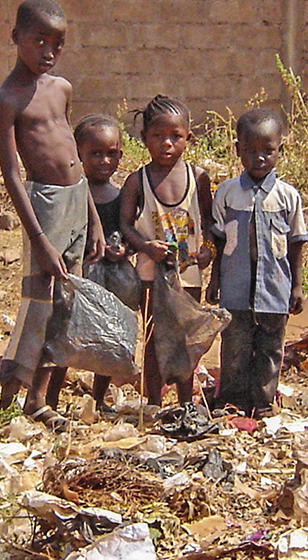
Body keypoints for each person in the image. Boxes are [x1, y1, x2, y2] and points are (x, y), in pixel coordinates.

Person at [0, 0, 104, 431]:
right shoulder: (8, 99)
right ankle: (5, 400)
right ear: (15, 37)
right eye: (39, 40)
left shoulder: (61, 89)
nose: (49, 52)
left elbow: (75, 158)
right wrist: (39, 239)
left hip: (77, 200)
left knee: (67, 302)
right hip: (46, 208)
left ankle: (37, 400)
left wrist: (93, 218)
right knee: (38, 304)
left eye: (58, 44)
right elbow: (12, 174)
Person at [206, 108, 308, 417]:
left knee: (270, 348)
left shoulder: (288, 196)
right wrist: (214, 281)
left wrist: (297, 286)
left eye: (267, 150)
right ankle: (233, 401)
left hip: (275, 289)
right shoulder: (227, 193)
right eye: (250, 151)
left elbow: (296, 242)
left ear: (281, 150)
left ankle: (263, 403)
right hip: (235, 288)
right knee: (235, 346)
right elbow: (219, 241)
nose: (259, 158)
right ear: (237, 150)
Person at [119, 95, 215, 407]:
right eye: (157, 136)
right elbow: (126, 226)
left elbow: (211, 222)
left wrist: (208, 250)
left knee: (186, 338)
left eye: (175, 136)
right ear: (144, 138)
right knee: (151, 340)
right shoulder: (138, 181)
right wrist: (145, 246)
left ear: (189, 137)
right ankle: (153, 405)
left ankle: (186, 403)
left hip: (188, 276)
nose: (166, 144)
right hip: (149, 275)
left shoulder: (198, 177)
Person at [74, 114, 129, 412]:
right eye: (95, 153)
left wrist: (123, 249)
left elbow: (129, 230)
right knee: (68, 336)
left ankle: (98, 398)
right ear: (78, 153)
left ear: (121, 155)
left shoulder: (121, 196)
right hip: (79, 276)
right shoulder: (74, 193)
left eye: (111, 153)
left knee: (110, 337)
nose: (104, 160)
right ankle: (51, 398)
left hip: (111, 278)